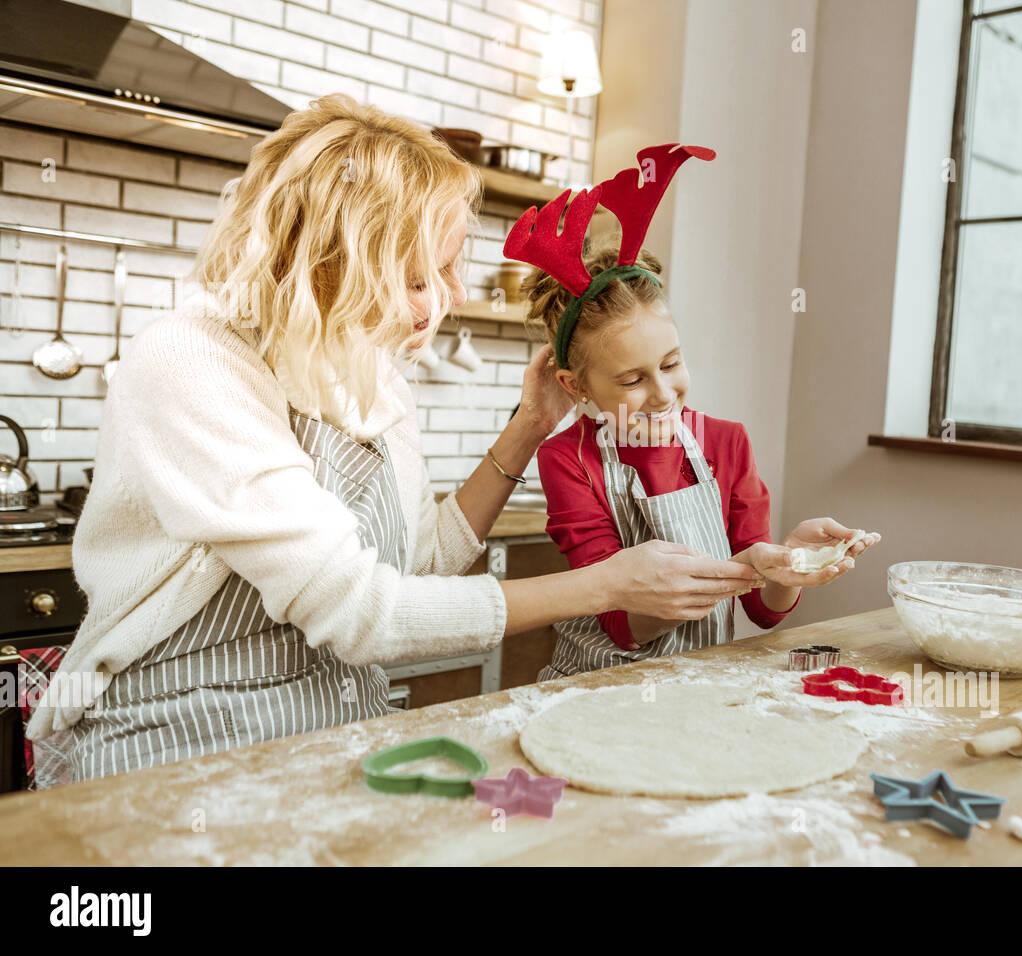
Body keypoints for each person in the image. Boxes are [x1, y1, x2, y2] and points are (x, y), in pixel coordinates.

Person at [25, 95, 762, 782]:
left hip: (338, 722)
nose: (454, 295)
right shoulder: (191, 360)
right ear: (331, 262)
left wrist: (530, 424)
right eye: (420, 275)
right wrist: (602, 585)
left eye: (449, 267)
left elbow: (421, 561)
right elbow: (360, 610)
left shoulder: (372, 376)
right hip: (176, 735)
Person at [507, 142, 878, 679]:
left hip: (697, 687)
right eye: (632, 379)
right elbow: (623, 626)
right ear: (575, 385)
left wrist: (786, 564)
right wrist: (743, 568)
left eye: (672, 363)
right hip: (597, 688)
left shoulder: (726, 443)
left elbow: (762, 611)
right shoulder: (569, 459)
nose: (662, 393)